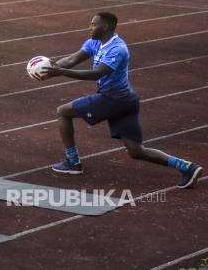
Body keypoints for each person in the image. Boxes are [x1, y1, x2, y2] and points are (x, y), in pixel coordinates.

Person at [40, 12, 203, 188]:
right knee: (136, 151)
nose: (89, 27)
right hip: (126, 100)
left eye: (93, 24)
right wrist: (53, 67)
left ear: (106, 27)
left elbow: (98, 73)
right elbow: (71, 59)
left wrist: (61, 72)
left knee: (63, 112)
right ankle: (187, 167)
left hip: (113, 99)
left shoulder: (118, 49)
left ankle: (72, 162)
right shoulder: (94, 42)